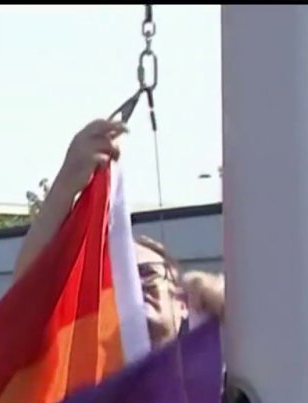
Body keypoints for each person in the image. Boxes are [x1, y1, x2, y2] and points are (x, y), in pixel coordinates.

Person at [14, 119, 226, 344]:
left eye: (146, 272)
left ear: (182, 302)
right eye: (118, 280)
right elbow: (25, 301)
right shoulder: (88, 373)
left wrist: (224, 303)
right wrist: (66, 183)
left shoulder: (215, 367)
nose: (135, 285)